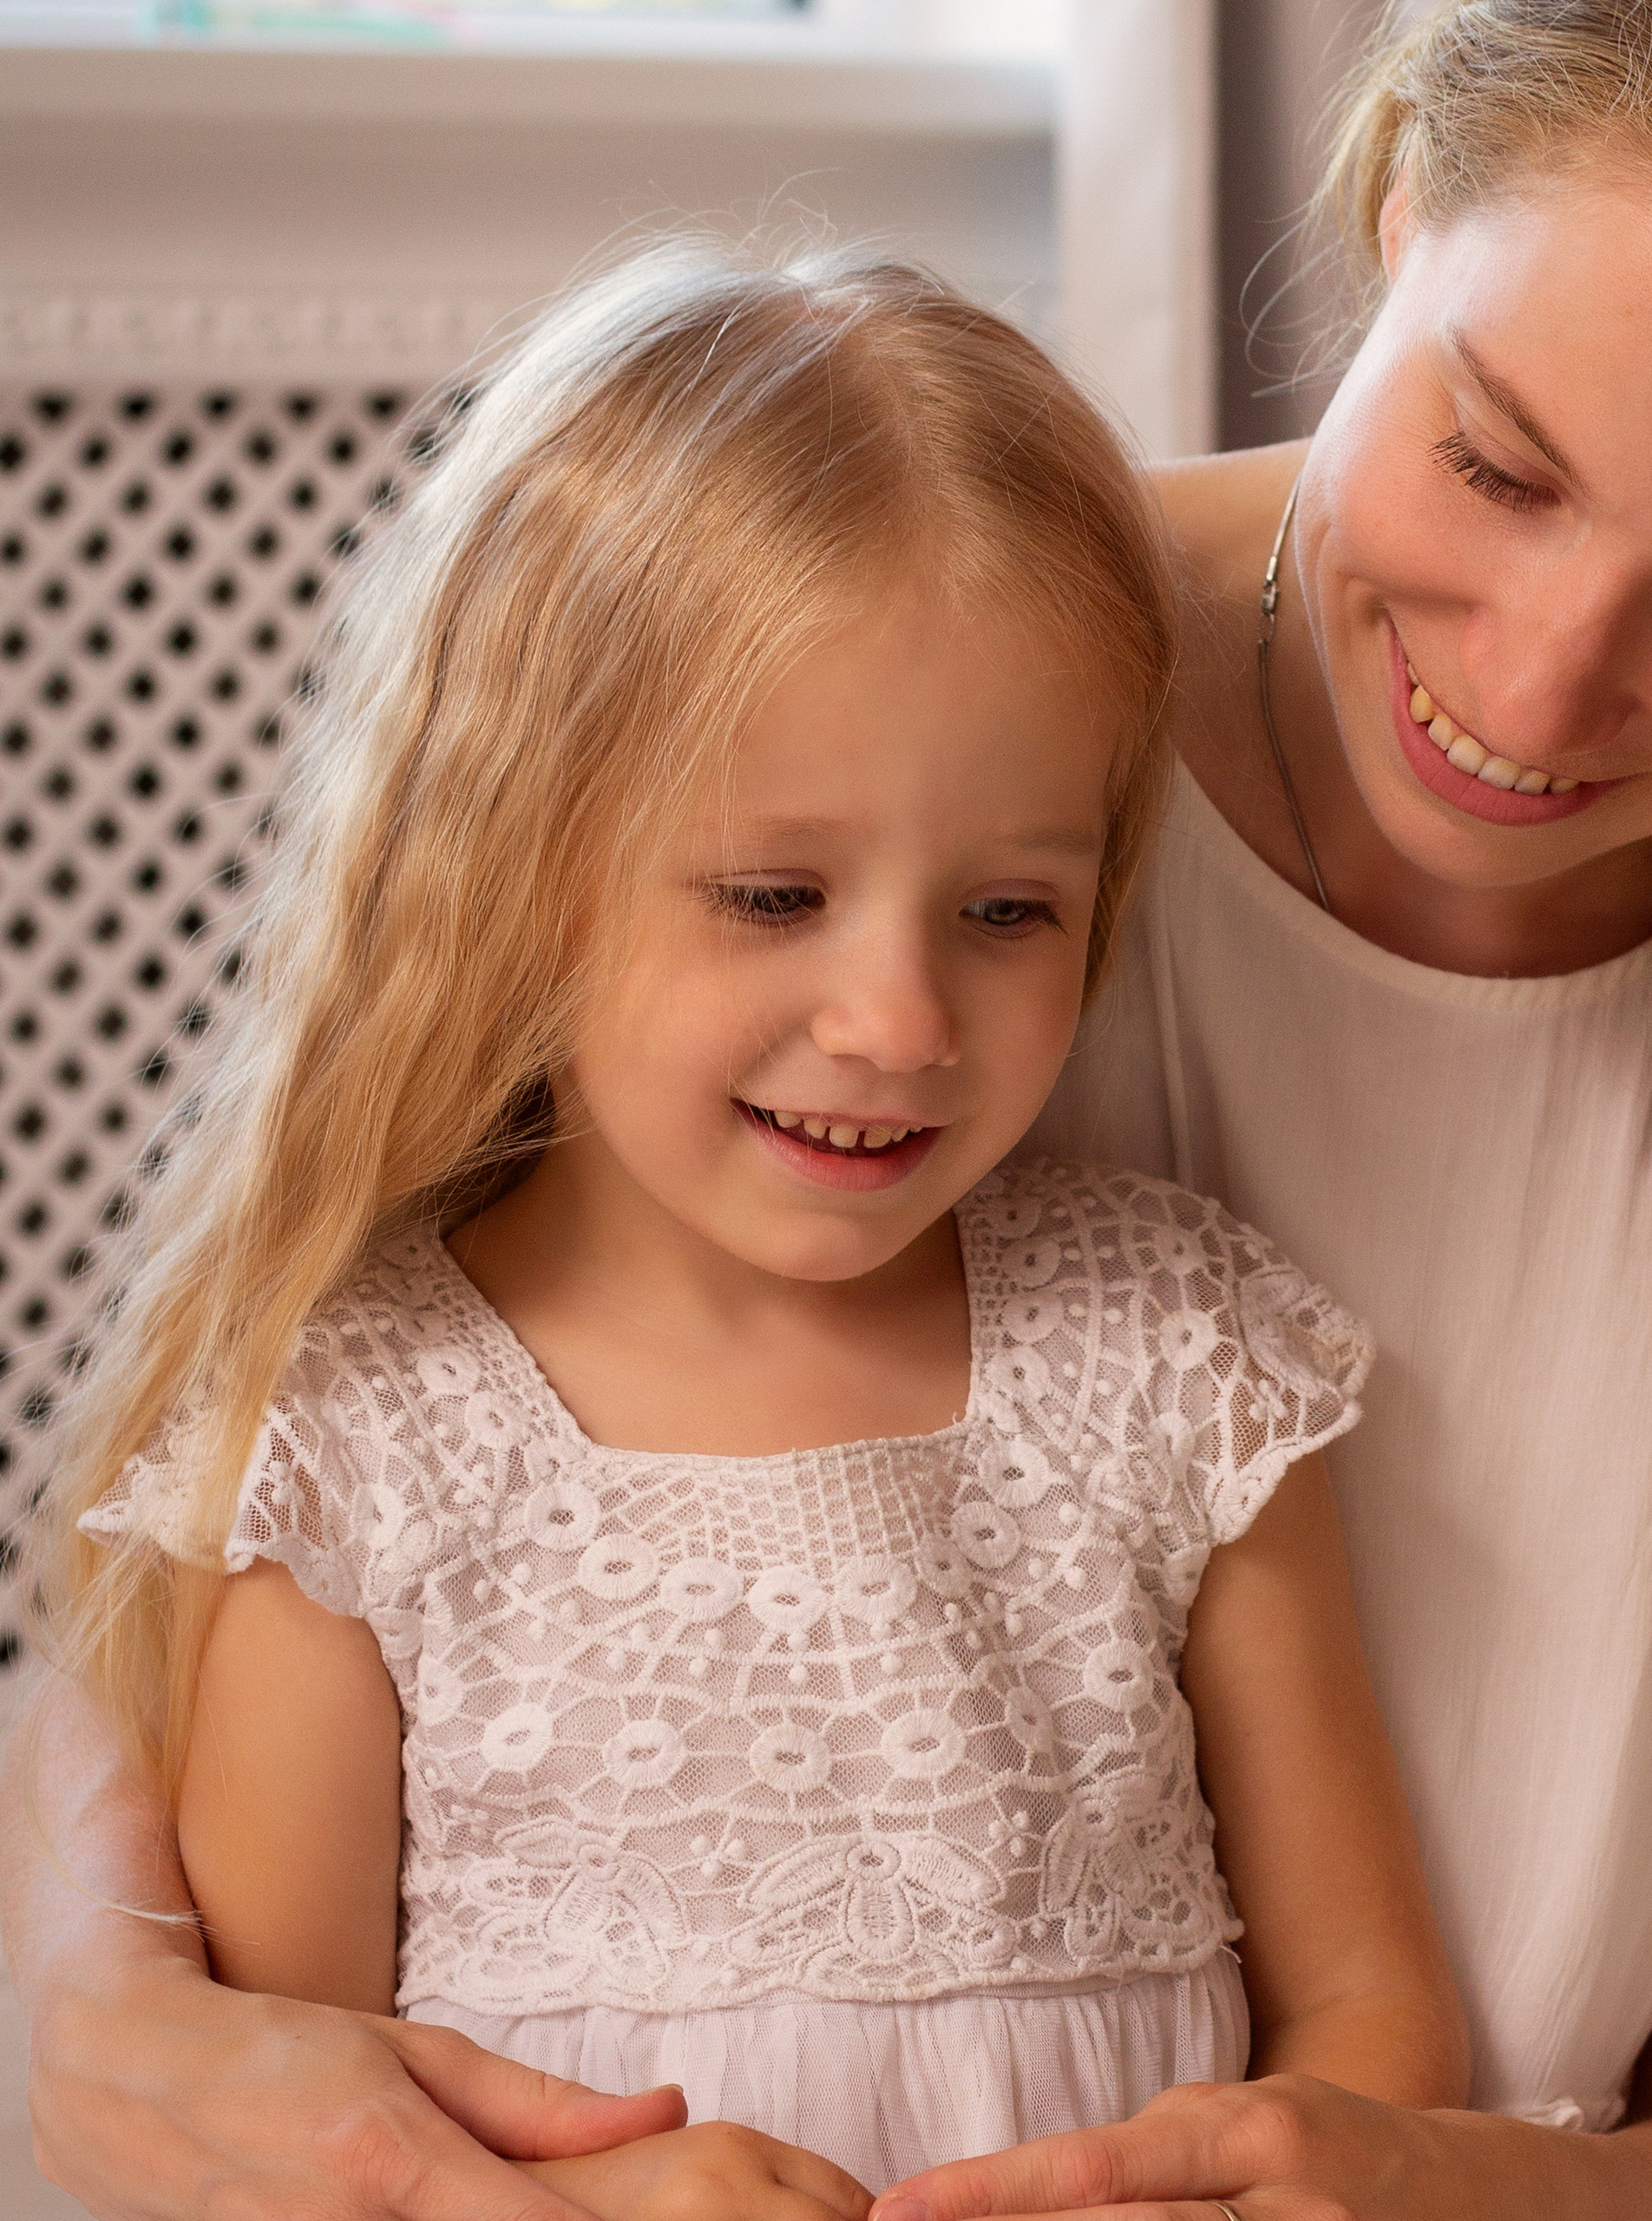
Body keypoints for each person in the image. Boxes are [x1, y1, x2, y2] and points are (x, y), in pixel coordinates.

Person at [13, 1, 1652, 2216]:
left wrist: (1410, 2178)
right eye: (1496, 462)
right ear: (1393, 207)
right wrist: (104, 1999)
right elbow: (313, 1416)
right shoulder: (900, 680)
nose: (1530, 688)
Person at [15, 247, 1466, 2218]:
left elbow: (1372, 2012)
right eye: (774, 895)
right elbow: (289, 2129)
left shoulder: (1174, 1352)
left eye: (1007, 908)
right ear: (517, 874)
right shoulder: (348, 1439)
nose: (898, 1020)